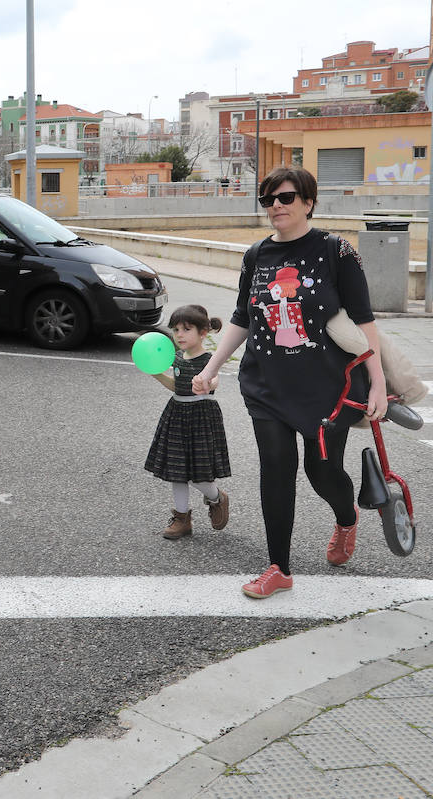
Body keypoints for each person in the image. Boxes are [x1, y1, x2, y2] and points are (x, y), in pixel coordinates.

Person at [193, 167, 387, 599]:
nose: (276, 206)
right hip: (266, 384)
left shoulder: (336, 250)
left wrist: (376, 382)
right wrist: (211, 369)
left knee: (321, 472)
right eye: (268, 200)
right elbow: (244, 316)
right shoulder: (256, 255)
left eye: (285, 197)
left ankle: (346, 517)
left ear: (308, 202)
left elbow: (364, 320)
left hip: (327, 388)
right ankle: (278, 567)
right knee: (276, 470)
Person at [143, 305, 232, 540]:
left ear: (203, 333)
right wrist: (157, 374)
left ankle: (216, 498)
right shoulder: (177, 357)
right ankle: (182, 519)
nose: (179, 334)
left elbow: (214, 381)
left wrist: (207, 383)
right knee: (177, 471)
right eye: (175, 329)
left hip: (201, 418)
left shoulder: (208, 359)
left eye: (186, 329)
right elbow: (176, 385)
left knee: (199, 474)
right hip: (176, 414)